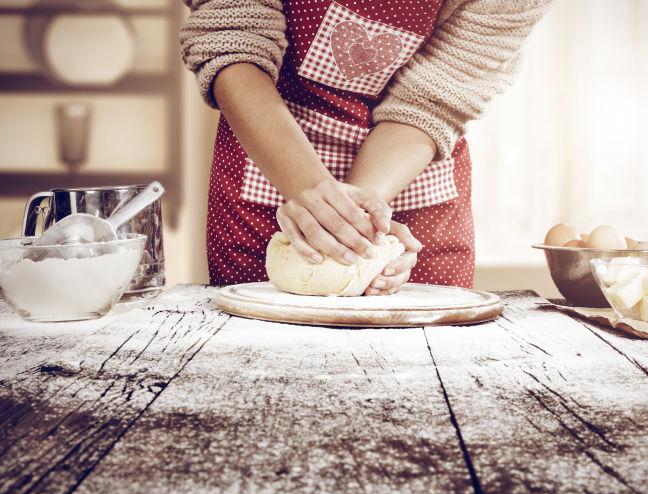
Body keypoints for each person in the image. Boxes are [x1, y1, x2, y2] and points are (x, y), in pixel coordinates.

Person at [180, 0, 550, 294]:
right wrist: (309, 189)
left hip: (410, 175)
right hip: (269, 159)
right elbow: (232, 38)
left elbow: (433, 101)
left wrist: (362, 225)